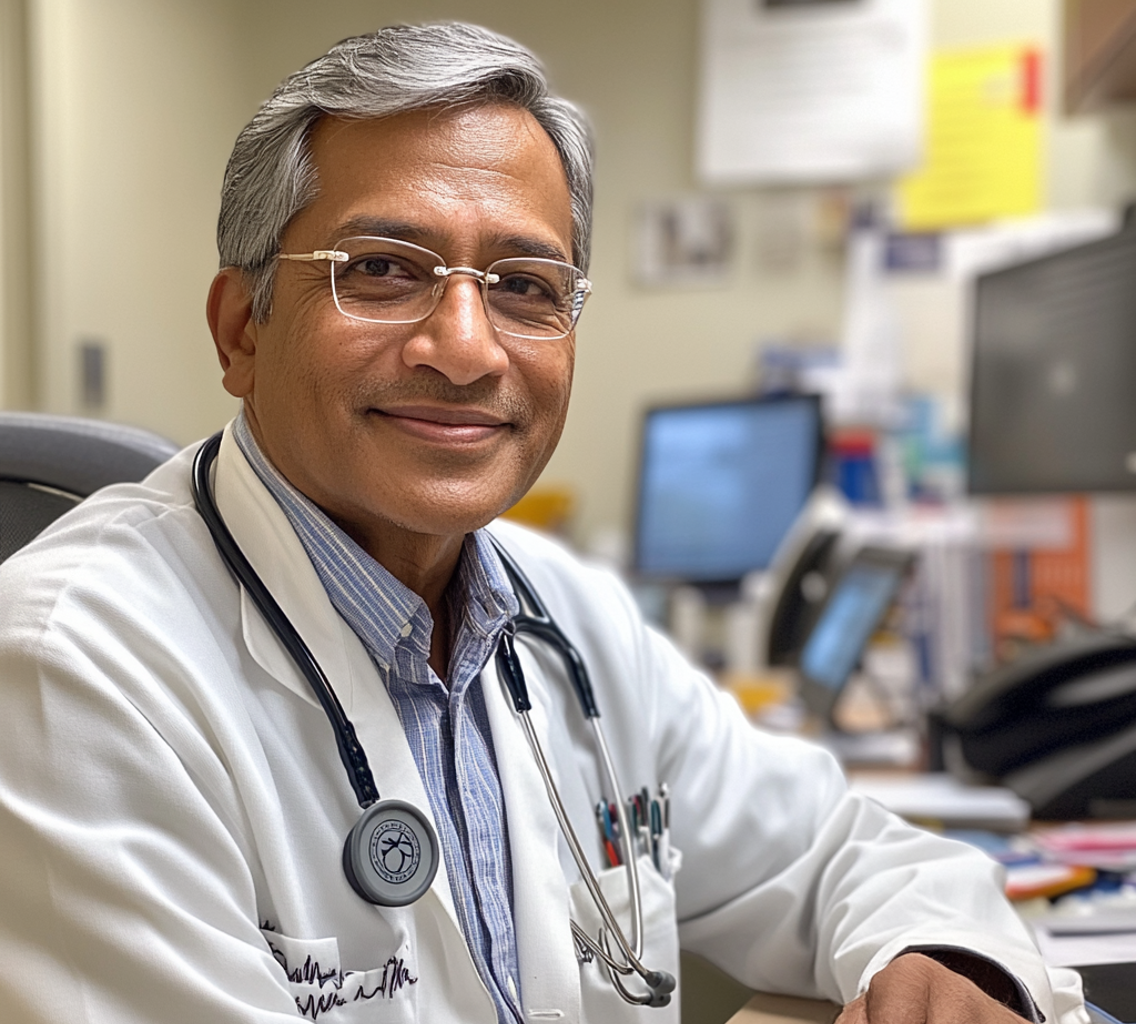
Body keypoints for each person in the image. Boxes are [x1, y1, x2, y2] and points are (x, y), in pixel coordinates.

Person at [0, 21, 1085, 1024]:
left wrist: (946, 963)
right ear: (241, 328)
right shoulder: (73, 671)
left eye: (524, 284)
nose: (465, 349)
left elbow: (837, 851)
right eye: (380, 270)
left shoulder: (564, 617)